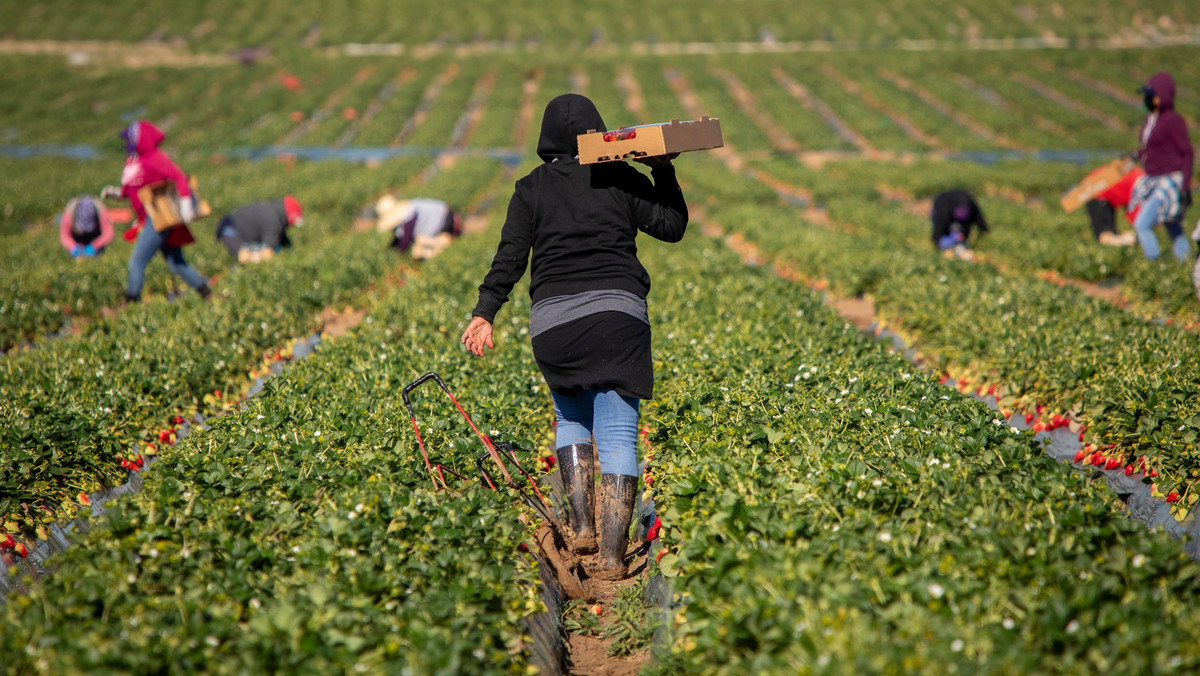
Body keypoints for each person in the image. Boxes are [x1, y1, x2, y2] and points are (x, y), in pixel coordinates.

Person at [460, 93, 688, 581]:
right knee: (620, 434)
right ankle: (611, 557)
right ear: (597, 132)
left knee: (571, 418)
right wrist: (663, 170)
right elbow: (671, 227)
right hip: (618, 317)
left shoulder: (530, 188)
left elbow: (510, 257)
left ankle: (582, 527)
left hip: (554, 325)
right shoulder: (619, 177)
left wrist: (485, 312)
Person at [107, 121, 209, 302]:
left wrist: (186, 205)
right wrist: (116, 193)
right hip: (149, 219)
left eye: (128, 140)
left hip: (158, 218)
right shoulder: (133, 160)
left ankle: (131, 301)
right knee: (176, 264)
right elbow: (131, 188)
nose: (125, 144)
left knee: (136, 262)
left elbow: (179, 178)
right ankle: (206, 293)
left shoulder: (154, 158)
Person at [1130, 71, 1193, 262]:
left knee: (1142, 224)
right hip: (1153, 178)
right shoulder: (1151, 120)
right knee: (1172, 226)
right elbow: (1151, 148)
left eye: (1151, 96)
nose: (1147, 100)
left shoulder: (1173, 121)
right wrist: (1136, 156)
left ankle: (1155, 265)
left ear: (1161, 97)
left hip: (1169, 179)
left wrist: (1185, 187)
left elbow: (1187, 153)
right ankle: (1187, 263)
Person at [216, 195, 303, 264]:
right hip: (230, 231)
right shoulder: (273, 220)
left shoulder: (273, 213)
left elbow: (282, 242)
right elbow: (267, 253)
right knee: (245, 256)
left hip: (230, 228)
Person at [375, 195, 463, 261]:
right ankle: (442, 248)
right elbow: (399, 239)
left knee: (418, 248)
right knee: (419, 247)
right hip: (445, 218)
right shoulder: (409, 212)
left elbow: (405, 241)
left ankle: (445, 246)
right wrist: (390, 249)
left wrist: (396, 254)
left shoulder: (409, 217)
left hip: (447, 220)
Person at [1085, 165, 1142, 247]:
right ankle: (1129, 241)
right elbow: (1136, 216)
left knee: (1110, 233)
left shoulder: (1141, 178)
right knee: (1105, 235)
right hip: (1096, 191)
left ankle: (1127, 240)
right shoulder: (1141, 186)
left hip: (1099, 185)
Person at [930, 189, 988, 261]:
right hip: (942, 207)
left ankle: (958, 246)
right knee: (943, 240)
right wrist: (939, 243)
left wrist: (983, 229)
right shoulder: (943, 210)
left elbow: (978, 217)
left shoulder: (969, 204)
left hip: (957, 211)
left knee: (960, 237)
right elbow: (938, 230)